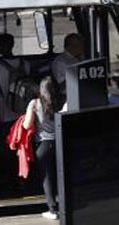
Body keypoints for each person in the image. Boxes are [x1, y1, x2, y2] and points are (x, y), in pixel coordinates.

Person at [22, 77, 63, 220]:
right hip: (60, 143)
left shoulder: (35, 103)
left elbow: (27, 125)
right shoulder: (62, 101)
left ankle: (52, 210)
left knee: (47, 177)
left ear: (41, 89)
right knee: (61, 175)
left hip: (43, 145)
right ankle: (65, 205)